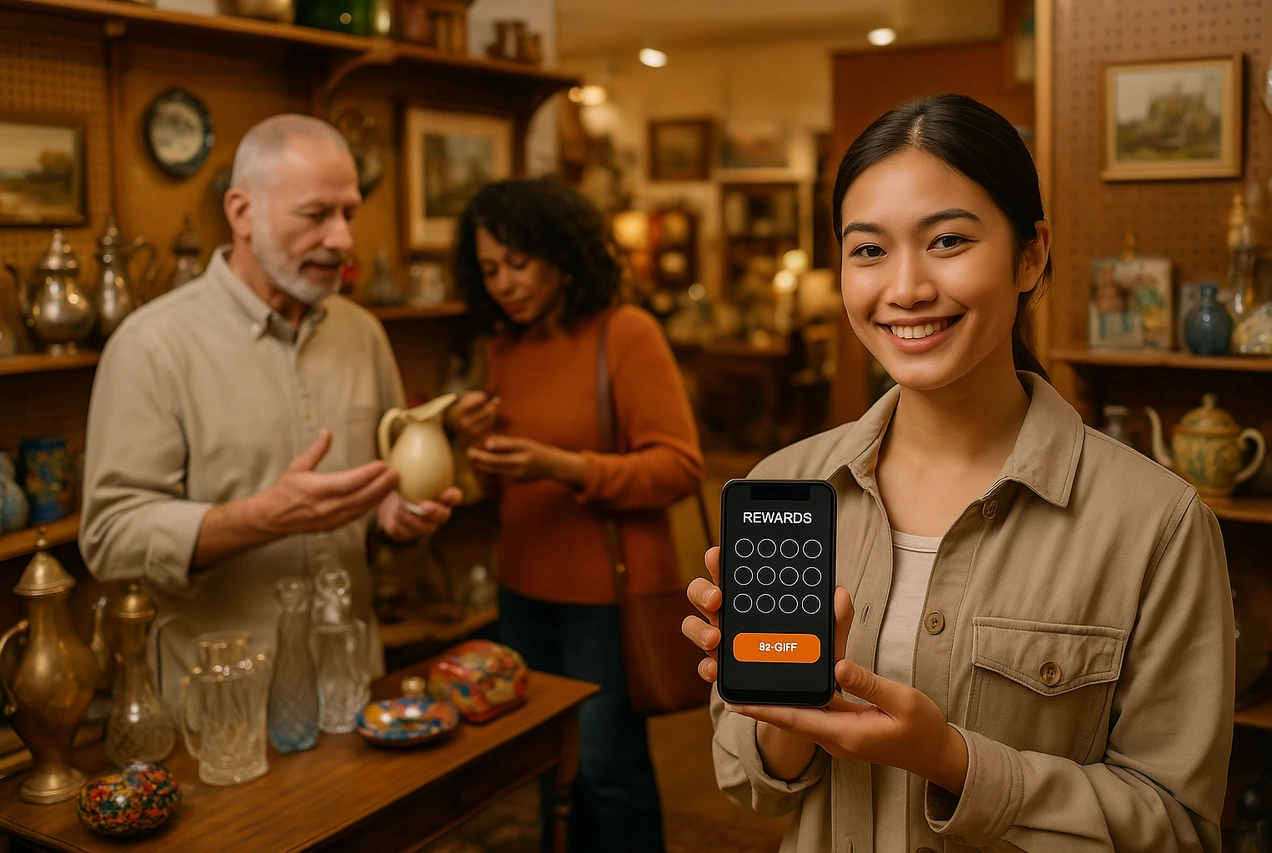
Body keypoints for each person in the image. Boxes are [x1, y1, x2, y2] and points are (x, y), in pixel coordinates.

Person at [683, 94, 1233, 852]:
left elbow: (1178, 828)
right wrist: (786, 711)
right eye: (868, 250)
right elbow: (748, 783)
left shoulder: (1155, 523)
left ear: (1031, 254)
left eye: (946, 240)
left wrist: (949, 758)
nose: (904, 287)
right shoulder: (787, 481)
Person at [81, 114, 461, 700]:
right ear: (242, 212)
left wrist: (397, 520)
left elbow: (386, 489)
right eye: (316, 215)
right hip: (221, 710)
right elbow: (109, 536)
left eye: (349, 214)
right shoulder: (150, 345)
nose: (343, 240)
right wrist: (263, 518)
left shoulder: (363, 334)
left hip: (351, 687)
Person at [445, 178, 704, 853]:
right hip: (522, 588)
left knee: (607, 769)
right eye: (490, 268)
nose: (505, 284)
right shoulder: (503, 345)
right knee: (548, 765)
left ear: (562, 253)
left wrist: (562, 465)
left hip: (605, 596)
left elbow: (679, 465)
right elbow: (506, 483)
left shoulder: (625, 332)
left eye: (519, 263)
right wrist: (478, 449)